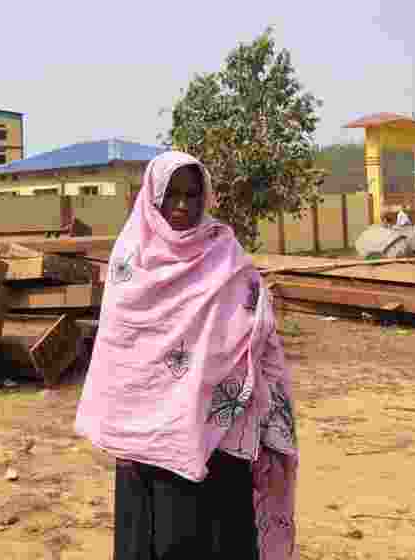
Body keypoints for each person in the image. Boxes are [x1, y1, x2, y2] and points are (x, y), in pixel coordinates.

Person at [75, 151, 298, 559]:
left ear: (205, 197)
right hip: (149, 442)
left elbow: (256, 325)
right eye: (171, 194)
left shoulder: (225, 254)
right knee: (161, 539)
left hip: (218, 435)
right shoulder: (131, 261)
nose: (181, 206)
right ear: (152, 196)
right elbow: (120, 354)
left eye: (192, 195)